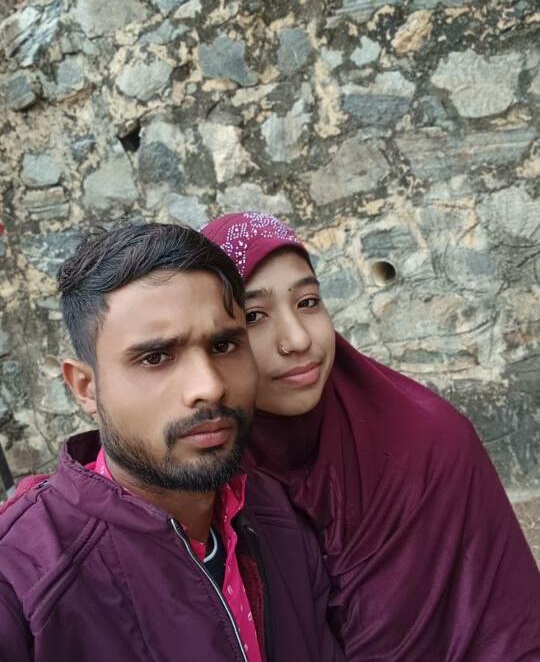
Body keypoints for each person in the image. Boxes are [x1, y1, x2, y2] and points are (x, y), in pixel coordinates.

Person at [202, 211, 540, 662]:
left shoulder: (429, 445)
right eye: (253, 316)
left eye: (308, 302)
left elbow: (509, 631)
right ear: (217, 342)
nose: (297, 339)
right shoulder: (205, 474)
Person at [0, 223, 345, 662]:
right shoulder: (22, 580)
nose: (210, 387)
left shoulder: (276, 515)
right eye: (156, 357)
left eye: (224, 345)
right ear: (86, 387)